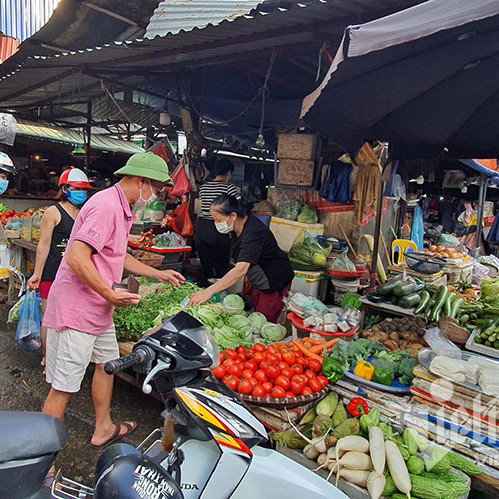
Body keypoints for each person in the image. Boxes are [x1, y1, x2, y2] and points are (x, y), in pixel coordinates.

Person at [42, 152, 185, 461]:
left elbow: (117, 256)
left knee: (107, 365)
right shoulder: (106, 206)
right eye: (157, 189)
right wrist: (109, 293)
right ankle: (41, 459)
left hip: (98, 308)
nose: (156, 196)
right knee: (64, 387)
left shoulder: (122, 209)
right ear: (141, 180)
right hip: (78, 309)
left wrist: (157, 272)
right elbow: (77, 257)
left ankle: (103, 427)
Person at [190, 194, 294, 322]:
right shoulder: (236, 228)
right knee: (256, 314)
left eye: (218, 220)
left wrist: (208, 291)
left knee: (263, 322)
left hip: (274, 280)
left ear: (233, 216)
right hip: (259, 280)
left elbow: (241, 269)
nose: (216, 224)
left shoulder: (253, 232)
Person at [27, 168, 93, 365]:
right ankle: (48, 358)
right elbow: (44, 244)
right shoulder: (53, 212)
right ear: (64, 189)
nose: (82, 193)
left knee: (70, 317)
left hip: (76, 273)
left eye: (84, 190)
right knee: (50, 318)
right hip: (53, 272)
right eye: (76, 189)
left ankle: (67, 357)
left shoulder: (84, 213)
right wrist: (37, 273)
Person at [194, 159, 239, 287]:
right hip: (218, 229)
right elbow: (237, 208)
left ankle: (203, 292)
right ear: (229, 172)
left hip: (202, 229)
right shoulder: (229, 188)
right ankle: (218, 294)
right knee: (221, 267)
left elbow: (200, 208)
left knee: (206, 265)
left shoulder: (203, 188)